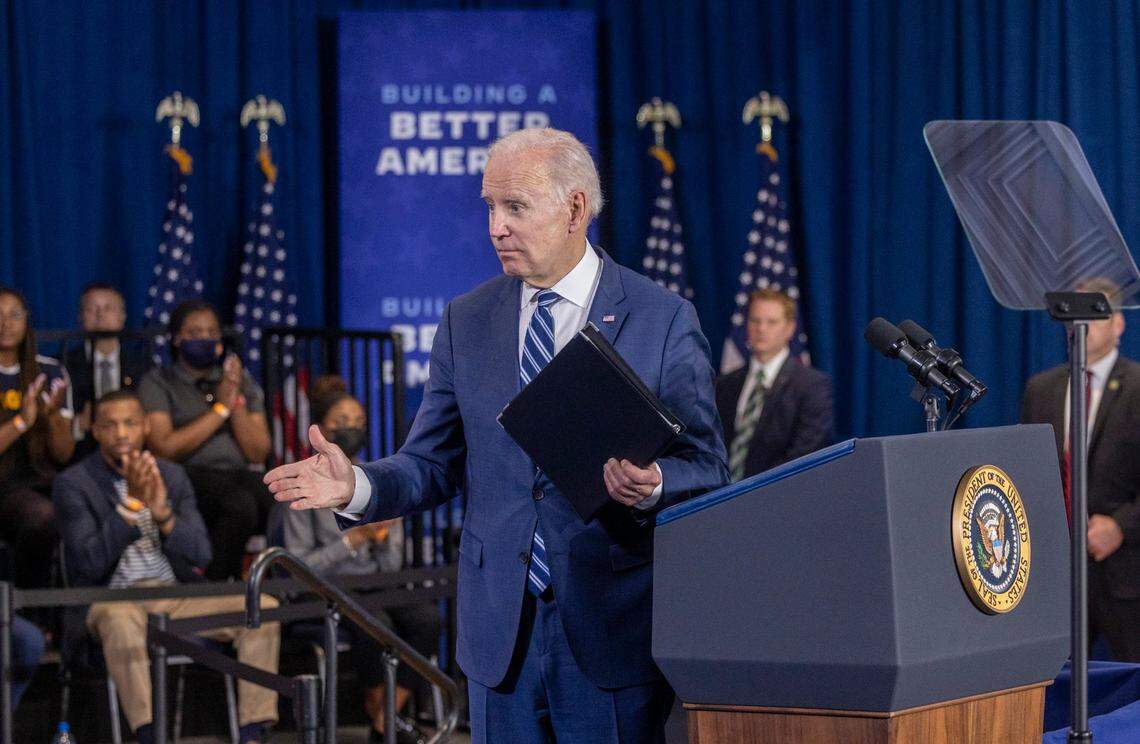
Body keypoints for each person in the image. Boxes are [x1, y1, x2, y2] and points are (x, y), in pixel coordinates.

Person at [265, 127, 728, 743]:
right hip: (498, 635)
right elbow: (430, 464)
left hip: (610, 627)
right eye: (489, 205)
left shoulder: (661, 318)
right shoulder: (467, 320)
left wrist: (654, 485)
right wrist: (356, 485)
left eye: (515, 206)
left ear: (575, 209)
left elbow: (707, 466)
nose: (495, 227)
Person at [52, 389, 279, 744]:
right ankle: (149, 734)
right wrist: (130, 507)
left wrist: (163, 516)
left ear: (145, 427)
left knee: (262, 607)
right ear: (95, 431)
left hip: (174, 596)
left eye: (130, 423)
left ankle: (253, 732)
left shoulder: (171, 476)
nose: (122, 434)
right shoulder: (74, 484)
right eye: (110, 425)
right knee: (119, 619)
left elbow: (201, 554)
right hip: (112, 598)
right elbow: (88, 562)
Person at [281, 376, 441, 743]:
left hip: (378, 583)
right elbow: (301, 566)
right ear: (320, 428)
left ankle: (385, 720)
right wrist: (351, 541)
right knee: (375, 624)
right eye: (340, 420)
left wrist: (381, 537)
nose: (351, 427)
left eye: (358, 420)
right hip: (329, 589)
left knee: (428, 619)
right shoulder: (302, 481)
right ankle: (385, 724)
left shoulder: (374, 479)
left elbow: (391, 565)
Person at [1021, 279, 1140, 662]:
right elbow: (1029, 475)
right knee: (1054, 685)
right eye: (1073, 318)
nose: (1080, 327)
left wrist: (1121, 525)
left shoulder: (1138, 386)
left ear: (1118, 324)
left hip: (1124, 572)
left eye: (1094, 315)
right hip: (1054, 574)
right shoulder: (1041, 389)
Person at [137, 300, 274, 579]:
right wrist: (220, 409)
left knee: (284, 498)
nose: (206, 339)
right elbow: (165, 448)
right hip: (186, 476)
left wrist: (234, 400)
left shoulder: (237, 381)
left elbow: (258, 452)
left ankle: (283, 586)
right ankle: (216, 585)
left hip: (238, 473)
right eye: (195, 332)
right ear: (176, 339)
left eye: (212, 333)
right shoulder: (158, 382)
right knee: (241, 505)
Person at [715, 288, 834, 481]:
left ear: (790, 328)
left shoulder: (812, 386)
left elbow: (803, 456)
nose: (761, 329)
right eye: (755, 320)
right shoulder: (724, 384)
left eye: (771, 322)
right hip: (718, 498)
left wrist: (748, 492)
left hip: (777, 498)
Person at [0, 286, 74, 588]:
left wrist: (53, 417)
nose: (5, 323)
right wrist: (22, 422)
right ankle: (29, 614)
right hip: (6, 488)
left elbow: (64, 454)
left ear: (27, 320)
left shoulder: (51, 371)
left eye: (13, 315)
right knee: (42, 516)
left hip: (45, 480)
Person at [65, 282, 152, 458]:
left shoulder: (143, 366)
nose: (100, 314)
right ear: (80, 317)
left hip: (133, 455)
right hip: (79, 457)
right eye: (92, 309)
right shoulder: (64, 364)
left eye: (108, 308)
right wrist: (78, 424)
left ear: (122, 316)